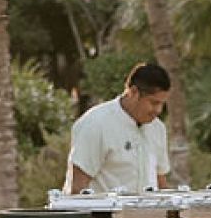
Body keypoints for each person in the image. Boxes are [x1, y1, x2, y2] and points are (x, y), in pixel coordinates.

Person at [65, 62, 172, 196]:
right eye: (154, 103)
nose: (158, 110)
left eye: (162, 104)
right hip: (103, 215)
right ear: (133, 92)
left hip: (148, 215)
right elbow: (77, 188)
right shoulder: (95, 124)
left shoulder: (158, 128)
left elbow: (160, 182)